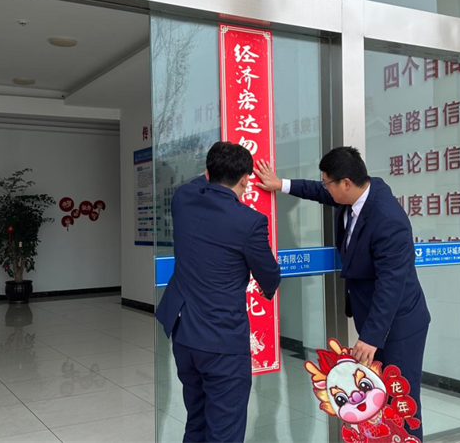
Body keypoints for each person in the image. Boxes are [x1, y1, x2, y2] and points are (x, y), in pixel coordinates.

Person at [254, 146, 430, 441]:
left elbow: (391, 284)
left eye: (329, 184)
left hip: (399, 325)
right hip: (375, 317)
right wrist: (280, 184)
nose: (325, 189)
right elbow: (318, 191)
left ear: (346, 183)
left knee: (401, 400)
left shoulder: (388, 220)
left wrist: (371, 337)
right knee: (376, 398)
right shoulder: (356, 195)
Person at [156, 141, 281, 443]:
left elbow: (199, 182)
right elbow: (269, 277)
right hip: (221, 340)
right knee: (224, 430)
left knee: (197, 420)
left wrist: (212, 173)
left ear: (208, 173)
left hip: (184, 334)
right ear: (245, 180)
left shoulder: (183, 200)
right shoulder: (250, 221)